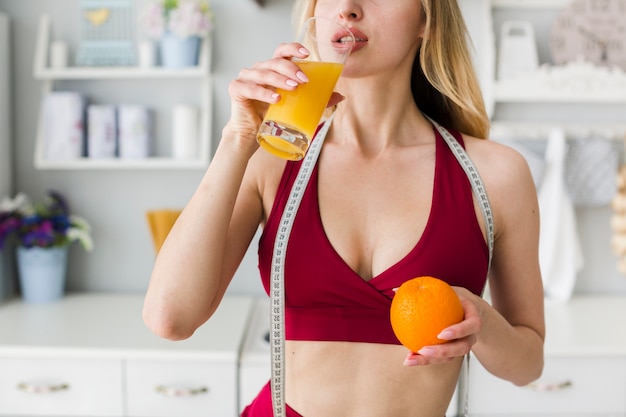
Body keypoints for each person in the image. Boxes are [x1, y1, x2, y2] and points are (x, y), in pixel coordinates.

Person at [143, 0, 545, 416]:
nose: (349, 8)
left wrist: (482, 320)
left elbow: (528, 364)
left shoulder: (494, 175)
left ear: (427, 19)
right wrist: (236, 139)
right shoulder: (271, 159)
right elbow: (170, 319)